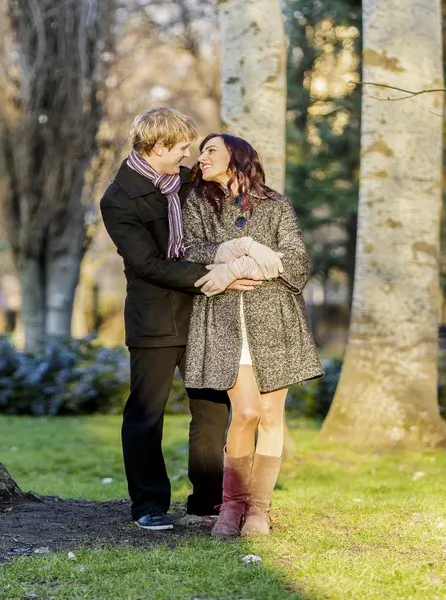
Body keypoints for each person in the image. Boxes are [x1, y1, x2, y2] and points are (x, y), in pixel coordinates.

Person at [99, 108, 262, 530]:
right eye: (182, 147)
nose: (188, 153)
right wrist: (217, 278)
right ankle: (149, 505)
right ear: (157, 148)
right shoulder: (118, 198)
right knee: (146, 412)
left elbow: (233, 202)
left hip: (204, 313)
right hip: (154, 316)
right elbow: (147, 263)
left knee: (211, 409)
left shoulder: (190, 183)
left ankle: (208, 499)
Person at [183, 133, 324, 537]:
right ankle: (231, 507)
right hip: (225, 322)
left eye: (211, 149)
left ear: (236, 157)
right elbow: (190, 249)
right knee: (243, 413)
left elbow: (296, 262)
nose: (201, 156)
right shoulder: (198, 202)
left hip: (275, 320)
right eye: (200, 151)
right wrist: (233, 262)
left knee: (270, 415)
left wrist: (246, 266)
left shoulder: (276, 204)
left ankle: (259, 510)